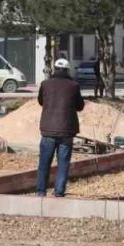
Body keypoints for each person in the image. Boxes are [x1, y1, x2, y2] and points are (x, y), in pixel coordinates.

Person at [36, 58, 84, 197]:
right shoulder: (74, 86)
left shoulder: (45, 84)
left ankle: (41, 191)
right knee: (63, 164)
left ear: (55, 69)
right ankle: (59, 191)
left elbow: (40, 101)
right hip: (66, 131)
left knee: (44, 163)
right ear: (67, 70)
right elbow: (80, 106)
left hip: (48, 130)